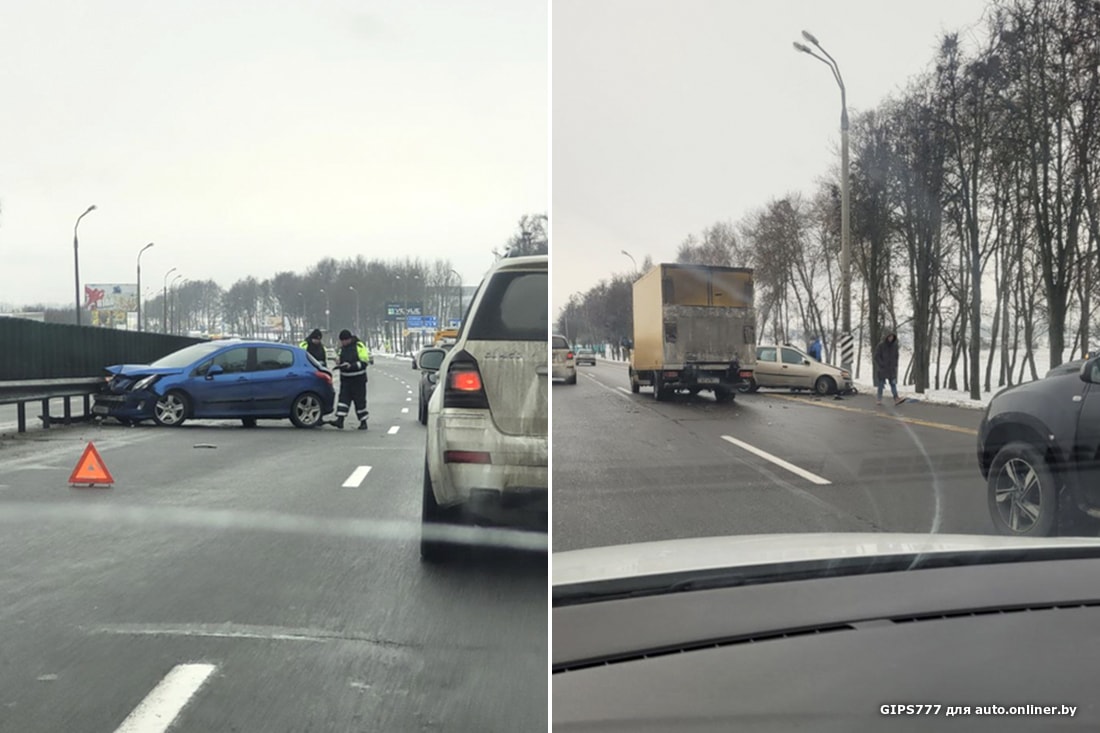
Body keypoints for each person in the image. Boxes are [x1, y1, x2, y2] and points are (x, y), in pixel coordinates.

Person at [332, 329, 371, 430]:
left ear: (349, 339)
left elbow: (364, 362)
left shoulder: (359, 346)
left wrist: (351, 366)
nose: (343, 343)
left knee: (360, 401)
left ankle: (363, 422)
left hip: (358, 380)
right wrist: (339, 362)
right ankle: (340, 420)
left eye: (344, 340)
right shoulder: (342, 348)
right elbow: (339, 357)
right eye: (342, 341)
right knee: (343, 400)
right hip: (346, 379)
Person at [873, 332, 902, 406]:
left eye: (892, 337)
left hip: (891, 369)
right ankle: (879, 399)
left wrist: (895, 364)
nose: (890, 338)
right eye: (889, 337)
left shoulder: (895, 346)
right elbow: (876, 356)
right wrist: (881, 364)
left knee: (893, 384)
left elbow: (896, 356)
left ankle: (896, 398)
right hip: (883, 369)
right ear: (887, 337)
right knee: (881, 384)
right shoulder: (881, 345)